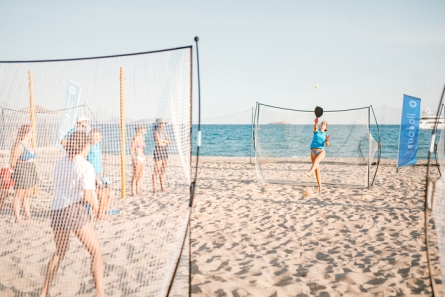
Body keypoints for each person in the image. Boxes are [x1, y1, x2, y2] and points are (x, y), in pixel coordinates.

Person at [40, 131, 105, 297]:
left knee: (60, 252)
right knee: (96, 251)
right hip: (73, 210)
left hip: (56, 211)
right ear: (85, 146)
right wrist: (98, 207)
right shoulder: (86, 166)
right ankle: (100, 293)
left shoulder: (60, 163)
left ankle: (44, 291)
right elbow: (89, 197)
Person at [10, 124, 38, 223]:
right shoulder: (19, 145)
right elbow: (13, 161)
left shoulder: (29, 143)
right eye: (31, 132)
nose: (32, 134)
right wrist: (13, 173)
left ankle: (28, 214)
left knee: (27, 194)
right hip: (22, 169)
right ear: (26, 133)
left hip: (30, 169)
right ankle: (17, 217)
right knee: (18, 194)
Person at [87, 128, 112, 220]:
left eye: (100, 135)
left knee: (111, 193)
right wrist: (94, 177)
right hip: (91, 176)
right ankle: (100, 214)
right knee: (102, 195)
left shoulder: (97, 145)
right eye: (97, 135)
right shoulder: (88, 146)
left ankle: (103, 212)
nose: (100, 137)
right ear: (93, 136)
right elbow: (86, 163)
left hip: (100, 174)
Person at [304, 118, 330, 194]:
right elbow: (315, 126)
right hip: (313, 151)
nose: (322, 124)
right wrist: (315, 122)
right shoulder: (316, 131)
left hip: (321, 151)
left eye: (324, 124)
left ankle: (309, 172)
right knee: (317, 170)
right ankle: (320, 187)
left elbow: (327, 145)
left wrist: (327, 140)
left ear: (326, 127)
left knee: (316, 162)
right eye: (322, 123)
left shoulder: (326, 135)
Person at [152, 118, 170, 193]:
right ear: (159, 124)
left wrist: (164, 141)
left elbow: (169, 141)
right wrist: (164, 142)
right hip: (158, 150)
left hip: (164, 150)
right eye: (162, 123)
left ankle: (162, 187)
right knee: (157, 169)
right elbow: (159, 143)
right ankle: (154, 188)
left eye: (164, 123)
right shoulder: (155, 132)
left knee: (164, 169)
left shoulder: (164, 132)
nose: (163, 125)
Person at [130, 125, 147, 196]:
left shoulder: (142, 137)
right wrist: (133, 159)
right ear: (139, 130)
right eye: (144, 129)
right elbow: (131, 150)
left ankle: (138, 190)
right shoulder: (136, 138)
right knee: (135, 175)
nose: (145, 130)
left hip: (142, 157)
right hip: (137, 157)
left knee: (140, 175)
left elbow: (142, 147)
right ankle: (133, 191)